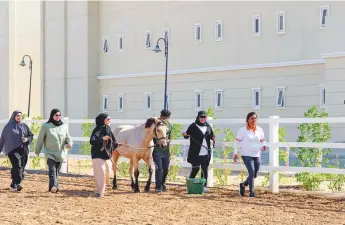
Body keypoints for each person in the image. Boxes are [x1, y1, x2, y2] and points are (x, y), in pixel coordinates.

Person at [35, 109, 73, 193]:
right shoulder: (46, 126)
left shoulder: (64, 126)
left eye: (59, 115)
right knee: (52, 170)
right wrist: (37, 150)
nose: (58, 117)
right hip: (50, 153)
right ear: (52, 115)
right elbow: (40, 139)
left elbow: (68, 138)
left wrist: (70, 143)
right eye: (56, 115)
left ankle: (52, 187)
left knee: (56, 172)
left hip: (60, 153)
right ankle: (54, 186)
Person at [233, 112, 266, 198]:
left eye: (255, 118)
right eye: (252, 118)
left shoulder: (260, 130)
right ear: (247, 120)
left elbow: (262, 141)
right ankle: (252, 193)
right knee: (251, 172)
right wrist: (235, 153)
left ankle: (243, 185)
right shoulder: (242, 130)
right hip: (246, 154)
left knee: (255, 174)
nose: (254, 120)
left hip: (257, 154)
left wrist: (264, 146)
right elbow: (237, 142)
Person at [0, 110, 34, 191]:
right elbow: (3, 139)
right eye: (17, 116)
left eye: (20, 116)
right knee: (18, 165)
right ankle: (17, 184)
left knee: (20, 167)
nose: (19, 117)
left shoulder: (24, 126)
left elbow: (31, 135)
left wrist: (27, 139)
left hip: (23, 150)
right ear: (14, 116)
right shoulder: (8, 127)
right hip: (12, 150)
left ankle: (13, 184)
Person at [182, 110, 215, 192]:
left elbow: (211, 135)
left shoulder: (208, 126)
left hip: (206, 151)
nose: (203, 118)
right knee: (195, 169)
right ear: (198, 117)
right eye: (201, 117)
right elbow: (187, 135)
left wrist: (213, 137)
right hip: (195, 151)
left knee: (204, 169)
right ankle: (189, 184)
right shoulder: (193, 126)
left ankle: (204, 186)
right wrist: (185, 135)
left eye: (204, 117)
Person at [90, 113, 120, 198]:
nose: (110, 120)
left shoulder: (108, 129)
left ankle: (100, 189)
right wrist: (102, 138)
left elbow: (113, 142)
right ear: (103, 120)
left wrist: (117, 144)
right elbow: (92, 141)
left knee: (107, 171)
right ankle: (100, 192)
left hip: (106, 154)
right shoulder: (97, 129)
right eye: (108, 119)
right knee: (101, 173)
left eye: (110, 119)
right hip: (98, 154)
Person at [153, 109, 172, 192]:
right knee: (159, 168)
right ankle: (158, 186)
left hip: (166, 150)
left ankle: (163, 183)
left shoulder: (169, 126)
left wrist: (168, 141)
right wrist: (156, 142)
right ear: (160, 117)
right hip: (157, 150)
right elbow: (152, 136)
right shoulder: (156, 125)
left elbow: (170, 136)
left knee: (166, 168)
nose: (165, 119)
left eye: (166, 118)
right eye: (163, 118)